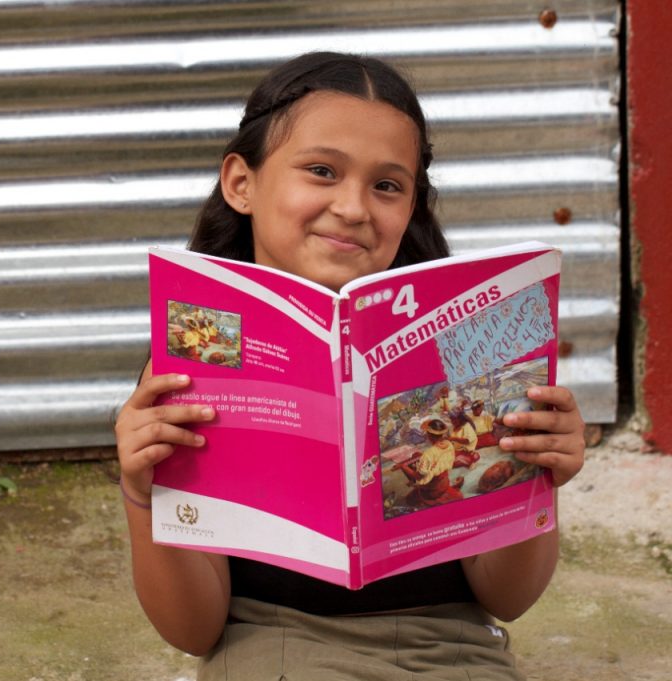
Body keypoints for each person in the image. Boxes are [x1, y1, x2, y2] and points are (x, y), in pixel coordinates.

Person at [114, 52, 585, 680]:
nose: (355, 207)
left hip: (449, 652)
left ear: (412, 207)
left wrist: (535, 482)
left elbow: (507, 598)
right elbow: (193, 629)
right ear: (241, 183)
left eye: (387, 185)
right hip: (270, 649)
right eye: (321, 170)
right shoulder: (197, 355)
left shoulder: (467, 348)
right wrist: (142, 495)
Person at [394, 418, 466, 507]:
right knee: (416, 455)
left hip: (432, 492)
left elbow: (418, 476)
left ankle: (414, 484)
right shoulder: (449, 444)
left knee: (409, 499)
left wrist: (403, 466)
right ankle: (415, 482)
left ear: (429, 435)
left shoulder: (429, 454)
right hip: (444, 483)